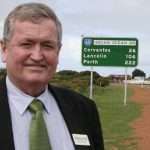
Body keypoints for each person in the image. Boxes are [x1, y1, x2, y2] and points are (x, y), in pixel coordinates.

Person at [0, 2, 104, 150]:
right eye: (27, 44)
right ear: (4, 49)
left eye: (47, 45)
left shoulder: (85, 109)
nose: (37, 56)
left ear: (58, 51)